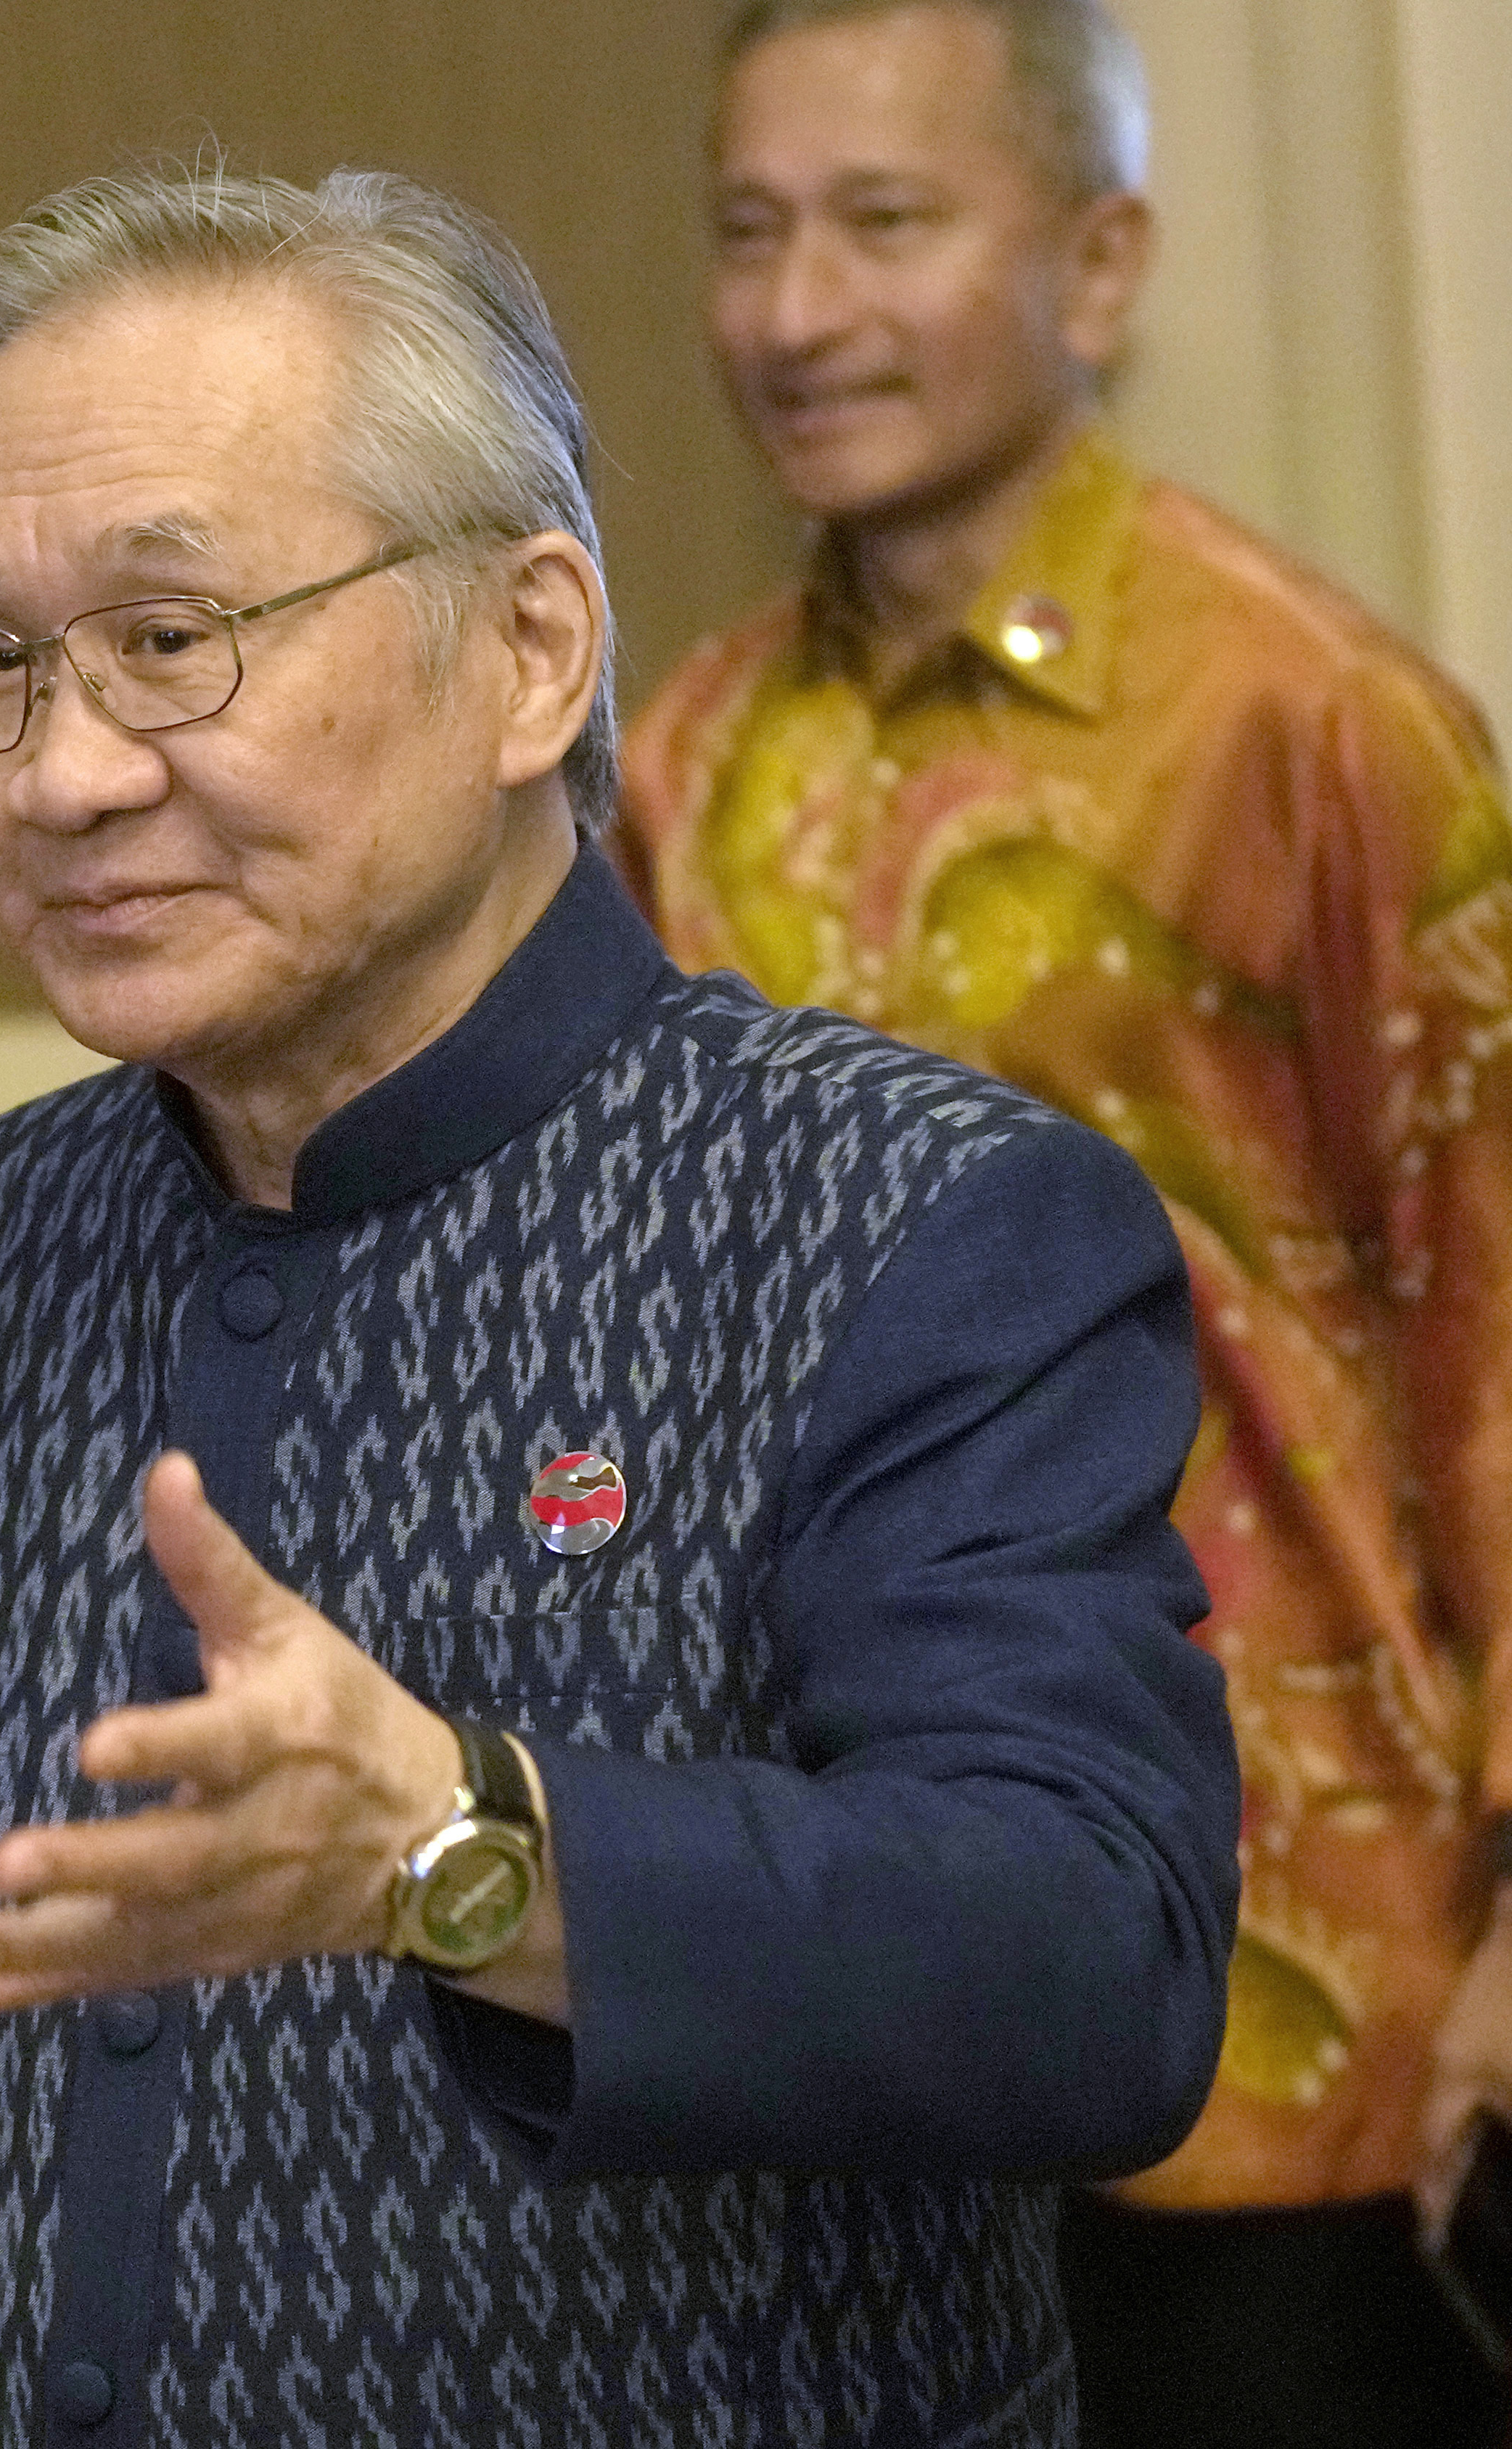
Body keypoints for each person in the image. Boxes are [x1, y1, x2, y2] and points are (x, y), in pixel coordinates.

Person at [0, 160, 1241, 2445]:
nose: (65, 774)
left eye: (174, 641)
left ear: (533, 650)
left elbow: (1100, 1966)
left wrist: (467, 1854)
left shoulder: (906, 1215)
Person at [616, 3, 1512, 2437]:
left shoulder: (1307, 722)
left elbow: (1500, 1334)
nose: (799, 314)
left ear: (1100, 261)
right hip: (850, 1985)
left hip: (1299, 1997)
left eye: (886, 224)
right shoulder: (688, 759)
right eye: (750, 230)